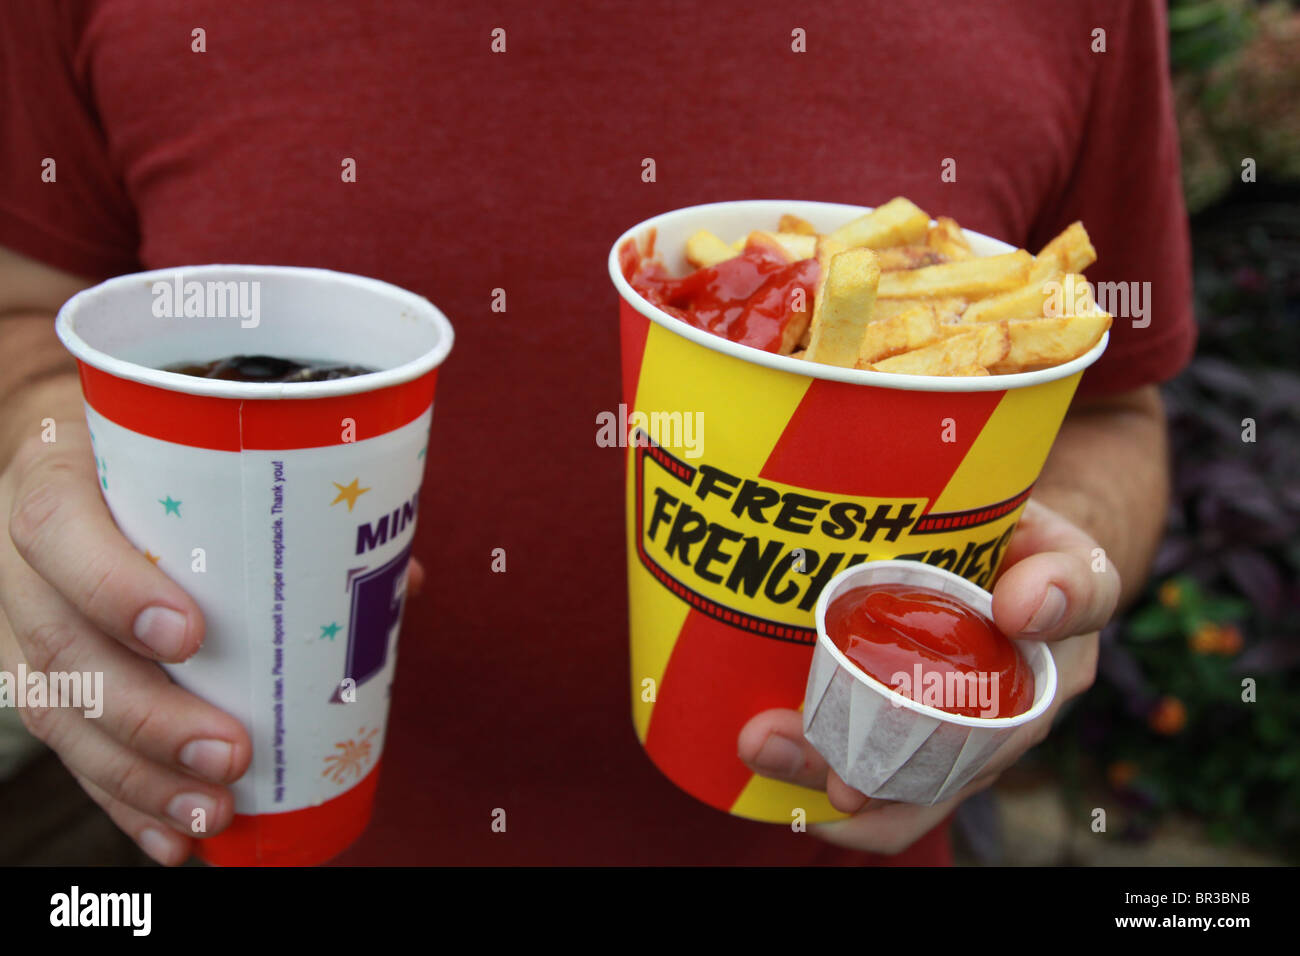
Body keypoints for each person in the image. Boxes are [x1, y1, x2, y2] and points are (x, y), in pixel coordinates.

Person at [0, 0, 1192, 865]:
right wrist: (39, 469)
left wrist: (1044, 580)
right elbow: (30, 319)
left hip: (835, 834)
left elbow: (1112, 408)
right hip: (262, 830)